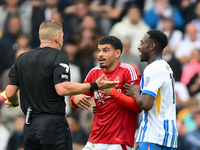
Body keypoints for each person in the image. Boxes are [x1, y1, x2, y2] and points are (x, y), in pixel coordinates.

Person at [2, 20, 119, 150]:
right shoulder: (59, 55)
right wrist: (94, 86)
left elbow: (10, 92)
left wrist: (14, 102)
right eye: (62, 37)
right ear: (57, 37)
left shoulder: (22, 58)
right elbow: (62, 88)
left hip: (29, 126)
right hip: (52, 125)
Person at [70, 35, 142, 150]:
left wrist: (113, 92)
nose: (100, 54)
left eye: (105, 50)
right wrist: (74, 99)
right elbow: (75, 100)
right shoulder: (94, 73)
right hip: (95, 138)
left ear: (117, 53)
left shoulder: (128, 71)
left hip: (119, 140)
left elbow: (138, 106)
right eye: (99, 51)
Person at [124, 29, 178, 149]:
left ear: (152, 46)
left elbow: (146, 104)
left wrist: (135, 93)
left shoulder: (153, 68)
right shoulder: (166, 67)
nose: (139, 47)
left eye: (142, 43)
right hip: (167, 137)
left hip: (154, 137)